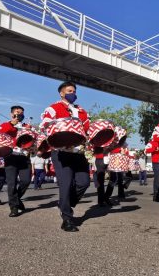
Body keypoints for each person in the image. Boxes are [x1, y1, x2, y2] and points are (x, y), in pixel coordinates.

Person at [40, 81, 90, 232]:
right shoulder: (53, 108)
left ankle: (64, 203)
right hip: (61, 152)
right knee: (66, 184)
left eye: (74, 91)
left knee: (84, 182)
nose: (72, 93)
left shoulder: (81, 111)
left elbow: (87, 129)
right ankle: (67, 218)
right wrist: (62, 138)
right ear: (62, 93)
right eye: (69, 90)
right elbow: (45, 124)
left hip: (78, 152)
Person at [0, 106, 31, 217]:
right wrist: (12, 124)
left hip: (24, 157)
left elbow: (33, 139)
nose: (20, 115)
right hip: (10, 157)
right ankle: (14, 207)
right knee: (11, 183)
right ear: (11, 114)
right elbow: (2, 133)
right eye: (17, 113)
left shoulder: (27, 126)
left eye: (22, 113)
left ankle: (16, 199)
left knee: (26, 181)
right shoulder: (5, 125)